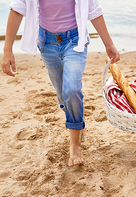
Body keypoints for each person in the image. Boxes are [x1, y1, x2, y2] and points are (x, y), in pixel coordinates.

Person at [1, 0, 120, 167]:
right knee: (63, 95)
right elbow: (17, 9)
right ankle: (75, 122)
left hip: (74, 41)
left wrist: (109, 44)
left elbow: (94, 10)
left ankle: (75, 143)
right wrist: (7, 50)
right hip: (47, 43)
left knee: (71, 90)